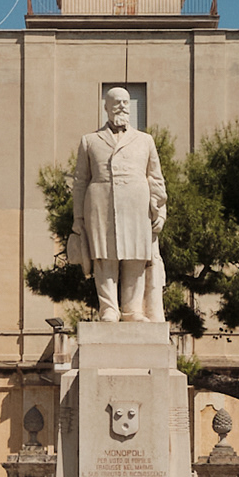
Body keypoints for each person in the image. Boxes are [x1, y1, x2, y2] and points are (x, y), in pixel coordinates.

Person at [69, 86, 167, 322]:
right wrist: (78, 218)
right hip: (100, 203)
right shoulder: (90, 140)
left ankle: (133, 310)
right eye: (116, 102)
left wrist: (160, 211)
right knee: (104, 257)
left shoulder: (145, 140)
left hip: (137, 204)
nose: (121, 106)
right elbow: (80, 182)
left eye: (125, 102)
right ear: (106, 107)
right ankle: (109, 309)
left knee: (136, 257)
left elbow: (155, 178)